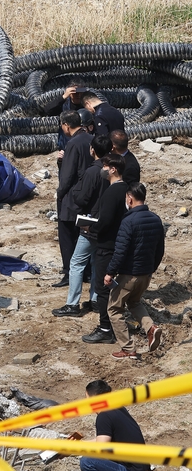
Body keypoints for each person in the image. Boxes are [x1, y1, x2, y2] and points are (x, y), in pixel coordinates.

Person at [72, 379, 152, 471]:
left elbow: (101, 449)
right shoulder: (116, 408)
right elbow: (103, 440)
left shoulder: (104, 416)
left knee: (87, 461)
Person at [52, 135, 111, 317]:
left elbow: (81, 197)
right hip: (107, 223)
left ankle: (72, 304)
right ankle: (94, 299)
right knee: (95, 263)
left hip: (90, 223)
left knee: (76, 263)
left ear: (92, 150)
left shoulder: (92, 172)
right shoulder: (112, 170)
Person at [104, 182, 165, 359]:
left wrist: (110, 272)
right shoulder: (155, 219)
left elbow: (120, 251)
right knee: (135, 303)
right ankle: (151, 328)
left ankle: (128, 348)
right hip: (145, 274)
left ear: (129, 198)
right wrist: (150, 269)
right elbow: (159, 250)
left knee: (114, 309)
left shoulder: (128, 221)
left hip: (128, 275)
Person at [82, 155, 128, 345]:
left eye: (105, 166)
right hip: (122, 244)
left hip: (107, 246)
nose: (103, 169)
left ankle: (105, 328)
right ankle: (117, 323)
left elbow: (106, 221)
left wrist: (90, 227)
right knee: (119, 288)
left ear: (113, 170)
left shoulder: (111, 192)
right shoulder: (128, 189)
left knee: (103, 288)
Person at [54, 111, 93, 288]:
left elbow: (68, 176)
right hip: (89, 194)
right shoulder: (90, 139)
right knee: (83, 235)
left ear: (65, 125)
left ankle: (69, 273)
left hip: (72, 197)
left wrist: (60, 193)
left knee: (68, 236)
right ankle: (86, 272)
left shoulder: (73, 144)